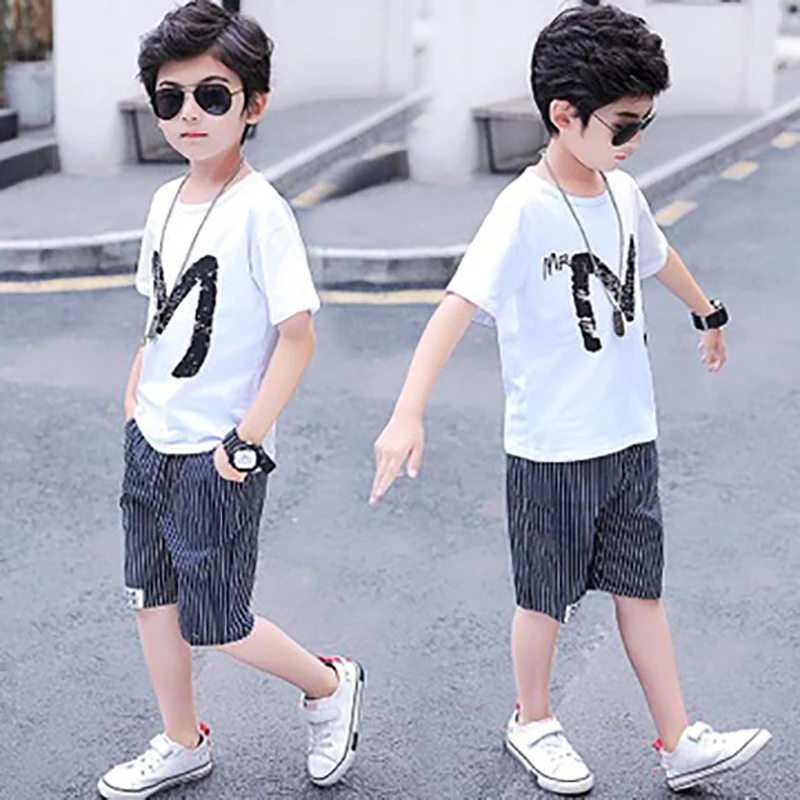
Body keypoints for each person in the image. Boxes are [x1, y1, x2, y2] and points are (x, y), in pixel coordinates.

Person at [369, 4, 770, 795]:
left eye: (645, 123)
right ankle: (533, 719)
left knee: (641, 591)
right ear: (564, 115)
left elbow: (657, 256)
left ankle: (678, 739)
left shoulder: (622, 193)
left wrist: (706, 312)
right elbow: (455, 308)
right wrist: (407, 412)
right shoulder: (522, 210)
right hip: (552, 448)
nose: (636, 140)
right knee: (543, 601)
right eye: (624, 125)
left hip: (629, 437)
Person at [98, 3, 364, 797]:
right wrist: (135, 388)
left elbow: (297, 336)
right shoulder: (163, 202)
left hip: (219, 451)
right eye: (171, 97)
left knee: (217, 620)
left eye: (212, 96)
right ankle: (181, 740)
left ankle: (328, 684)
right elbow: (159, 309)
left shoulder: (262, 213)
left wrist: (245, 441)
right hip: (151, 437)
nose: (190, 114)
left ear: (254, 105)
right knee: (151, 598)